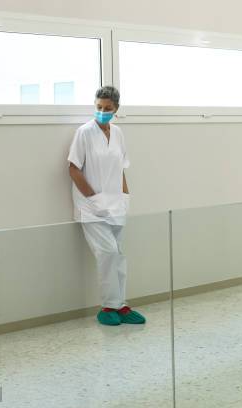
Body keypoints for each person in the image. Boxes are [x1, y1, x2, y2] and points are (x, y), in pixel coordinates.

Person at [67, 85, 146, 326]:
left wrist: (125, 195)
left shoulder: (119, 133)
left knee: (118, 255)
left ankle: (121, 305)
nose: (102, 112)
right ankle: (107, 307)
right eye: (99, 107)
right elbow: (73, 168)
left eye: (107, 109)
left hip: (116, 204)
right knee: (107, 254)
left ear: (116, 110)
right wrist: (93, 198)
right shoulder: (84, 132)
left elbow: (121, 166)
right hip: (91, 208)